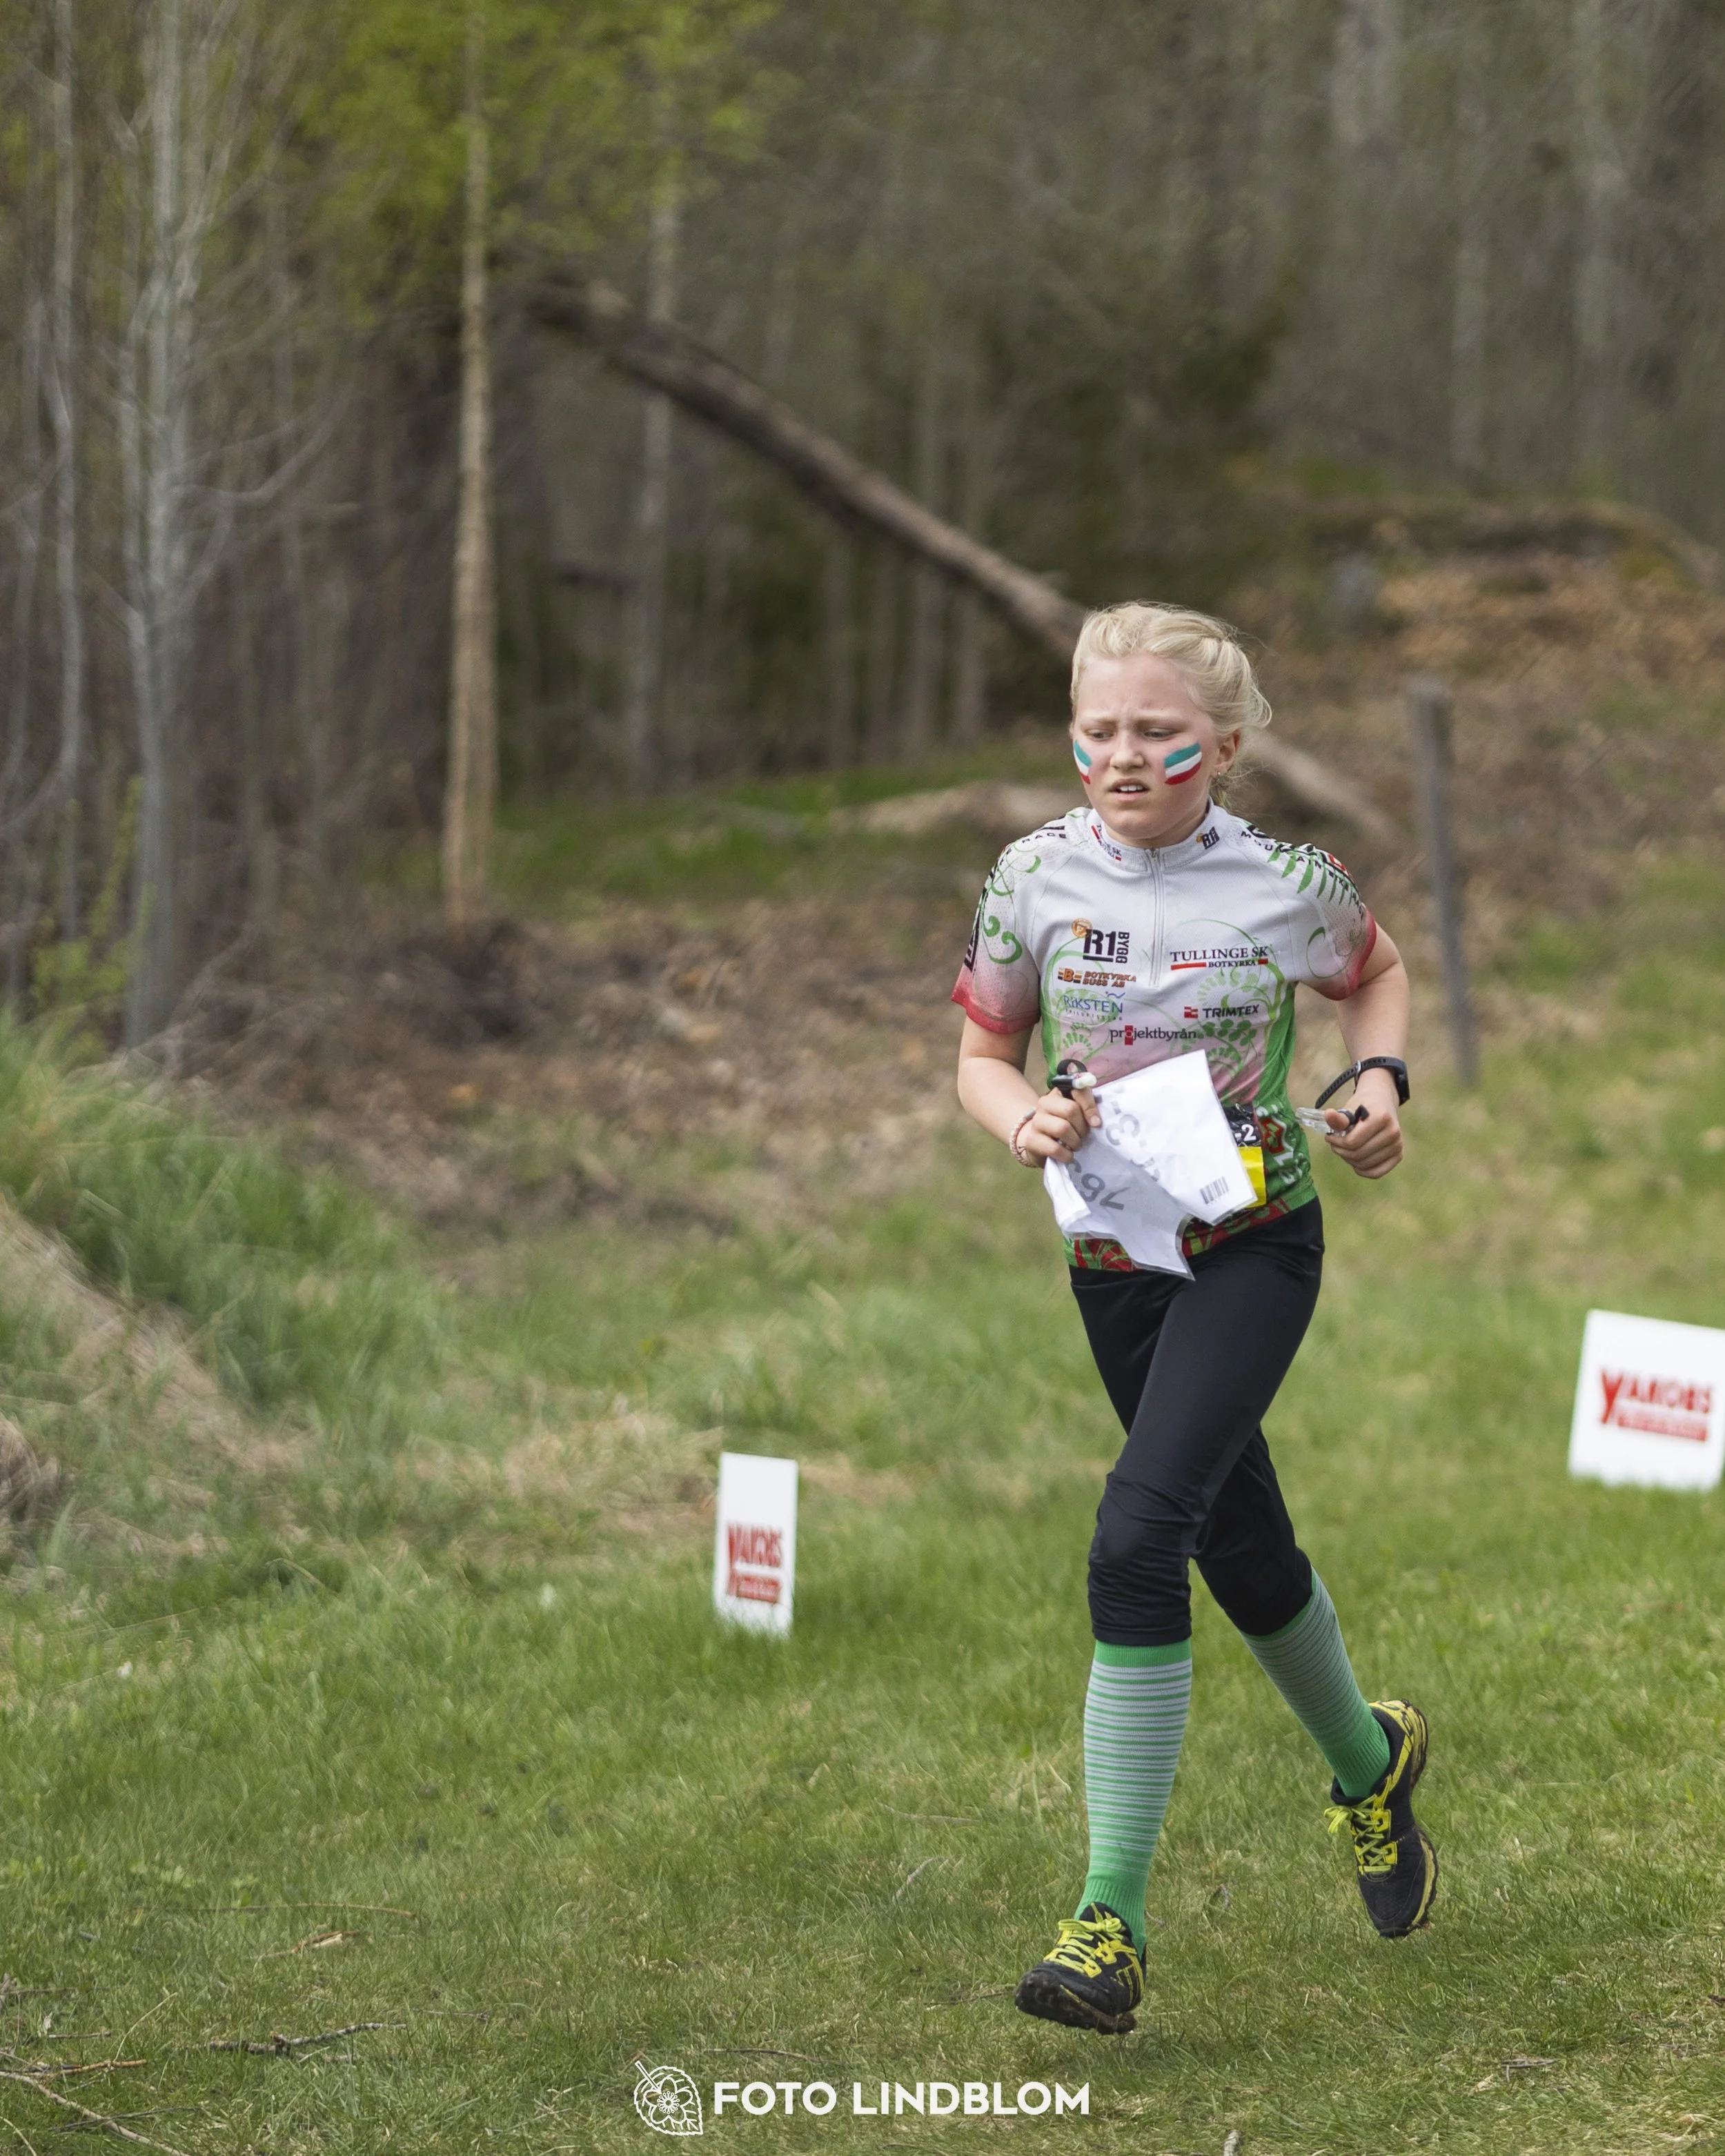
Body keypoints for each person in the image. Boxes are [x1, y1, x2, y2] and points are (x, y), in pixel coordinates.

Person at [952, 602, 1435, 2037]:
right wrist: (1018, 1116)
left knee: (1136, 1528)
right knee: (1235, 1537)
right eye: (1095, 729)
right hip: (1112, 1255)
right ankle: (1368, 1763)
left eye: (1156, 733)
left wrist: (1381, 1079)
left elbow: (1374, 977)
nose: (1121, 755)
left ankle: (1106, 1917)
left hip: (1251, 1246)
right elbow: (982, 1051)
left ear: (1220, 747)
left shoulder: (1286, 879)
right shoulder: (1027, 876)